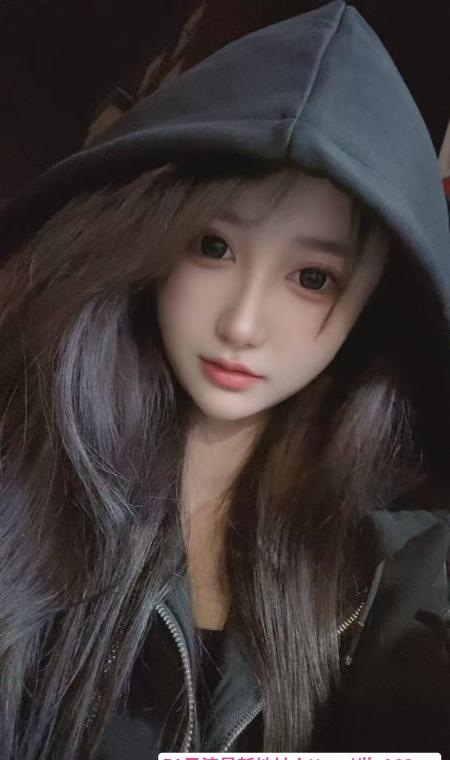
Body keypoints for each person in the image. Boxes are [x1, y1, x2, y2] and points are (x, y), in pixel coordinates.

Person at [0, 2, 448, 758]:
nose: (243, 324)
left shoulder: (387, 572)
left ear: (374, 302)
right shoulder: (25, 480)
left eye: (312, 277)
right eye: (214, 246)